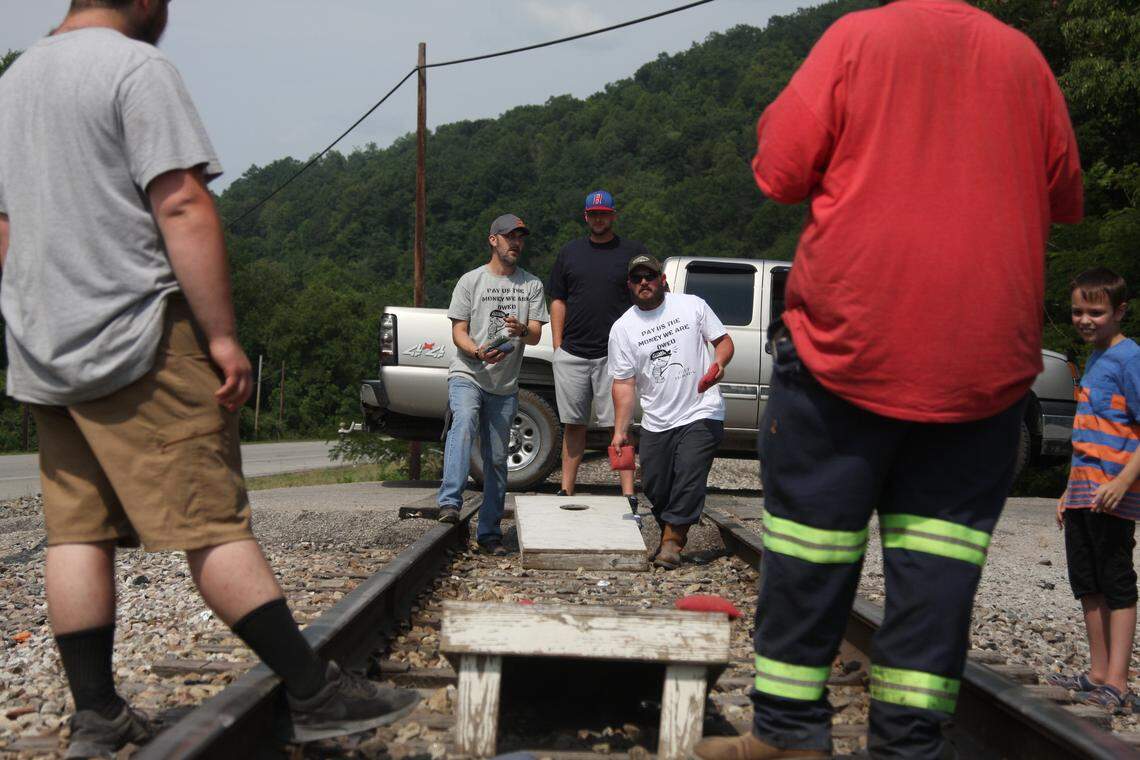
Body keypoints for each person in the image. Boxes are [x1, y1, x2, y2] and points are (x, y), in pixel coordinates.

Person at [0, 1, 420, 757]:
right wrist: (221, 335)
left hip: (43, 345)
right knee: (212, 524)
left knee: (76, 531)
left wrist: (39, 317)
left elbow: (4, 225)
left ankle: (97, 717)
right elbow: (183, 202)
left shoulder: (16, 80)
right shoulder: (136, 67)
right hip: (141, 339)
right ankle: (315, 691)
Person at [692, 1, 1084, 758]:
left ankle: (788, 737)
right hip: (983, 372)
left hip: (850, 348)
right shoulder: (1024, 60)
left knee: (809, 552)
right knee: (936, 575)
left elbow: (778, 171)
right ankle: (908, 747)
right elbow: (1063, 193)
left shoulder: (855, 40)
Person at [1047, 268, 1140, 712]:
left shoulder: (1130, 359)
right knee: (1087, 584)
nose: (1085, 319)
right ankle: (1098, 673)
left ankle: (1118, 682)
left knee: (1116, 582)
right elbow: (1086, 434)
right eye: (1078, 311)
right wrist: (1068, 490)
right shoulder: (1093, 359)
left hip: (1113, 495)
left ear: (1119, 311)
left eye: (1096, 312)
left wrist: (1123, 480)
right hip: (1084, 492)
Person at [608, 255, 734, 569]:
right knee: (655, 484)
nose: (643, 283)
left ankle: (672, 543)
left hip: (701, 410)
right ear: (630, 285)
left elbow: (723, 341)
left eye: (649, 276)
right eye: (637, 279)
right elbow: (624, 384)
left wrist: (719, 363)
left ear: (662, 280)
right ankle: (670, 527)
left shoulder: (692, 306)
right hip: (657, 420)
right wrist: (620, 430)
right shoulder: (623, 328)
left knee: (689, 475)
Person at [436, 214, 548, 554]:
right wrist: (476, 350)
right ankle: (450, 502)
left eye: (520, 237)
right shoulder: (471, 281)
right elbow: (458, 331)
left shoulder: (531, 285)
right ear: (493, 240)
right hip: (469, 373)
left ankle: (489, 533)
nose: (516, 243)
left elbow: (536, 333)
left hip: (504, 384)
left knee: (498, 458)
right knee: (465, 423)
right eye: (509, 236)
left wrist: (522, 331)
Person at [548, 190, 648, 508]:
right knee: (573, 424)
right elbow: (558, 299)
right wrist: (557, 346)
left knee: (618, 427)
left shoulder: (632, 253)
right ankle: (566, 489)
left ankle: (628, 492)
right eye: (594, 214)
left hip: (615, 356)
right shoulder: (570, 253)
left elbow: (648, 298)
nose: (599, 218)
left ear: (613, 215)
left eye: (604, 213)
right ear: (586, 217)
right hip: (573, 354)